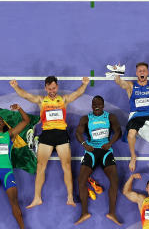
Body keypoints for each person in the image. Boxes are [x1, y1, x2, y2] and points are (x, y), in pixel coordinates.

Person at [9, 75, 90, 208]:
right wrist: (16, 86)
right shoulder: (41, 100)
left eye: (54, 88)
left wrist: (84, 84)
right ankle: (37, 198)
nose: (52, 91)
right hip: (46, 135)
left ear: (57, 87)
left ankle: (70, 197)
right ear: (45, 88)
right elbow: (26, 96)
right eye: (49, 89)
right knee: (40, 166)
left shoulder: (63, 100)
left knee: (67, 166)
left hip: (61, 135)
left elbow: (77, 93)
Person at [73, 96, 123, 225]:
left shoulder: (110, 117)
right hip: (91, 151)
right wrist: (84, 144)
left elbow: (118, 131)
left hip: (106, 150)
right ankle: (84, 213)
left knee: (115, 180)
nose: (96, 106)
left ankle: (112, 213)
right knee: (81, 181)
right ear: (91, 106)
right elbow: (78, 133)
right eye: (94, 104)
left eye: (99, 104)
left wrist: (110, 143)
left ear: (103, 105)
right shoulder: (86, 119)